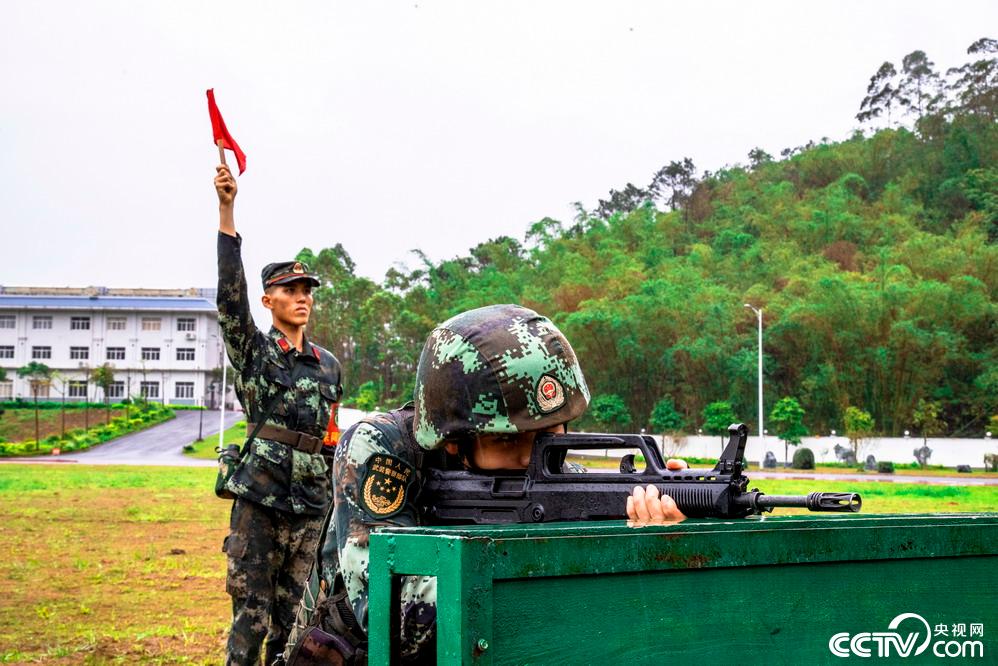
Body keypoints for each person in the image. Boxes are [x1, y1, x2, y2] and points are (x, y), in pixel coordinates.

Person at [279, 304, 685, 665]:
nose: (529, 458)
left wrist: (647, 531)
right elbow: (388, 609)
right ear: (454, 442)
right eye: (508, 440)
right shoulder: (382, 449)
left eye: (548, 436)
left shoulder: (558, 479)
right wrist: (534, 572)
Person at [214, 163, 345, 665]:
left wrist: (333, 502)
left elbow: (330, 437)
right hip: (260, 499)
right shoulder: (255, 352)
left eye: (307, 290)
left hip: (311, 506)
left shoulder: (328, 365)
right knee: (251, 620)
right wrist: (227, 212)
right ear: (268, 300)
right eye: (290, 290)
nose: (302, 298)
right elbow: (229, 299)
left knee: (297, 626)